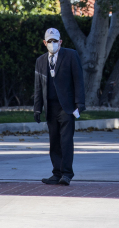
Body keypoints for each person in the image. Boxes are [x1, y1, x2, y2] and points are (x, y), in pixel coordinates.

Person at [33, 27, 85, 186]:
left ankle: (67, 174)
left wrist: (79, 104)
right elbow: (38, 87)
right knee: (54, 141)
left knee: (66, 141)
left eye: (55, 40)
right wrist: (37, 108)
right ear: (44, 42)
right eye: (50, 41)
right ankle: (56, 173)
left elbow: (78, 80)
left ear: (60, 41)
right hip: (51, 107)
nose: (53, 43)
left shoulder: (71, 55)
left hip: (67, 107)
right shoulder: (40, 61)